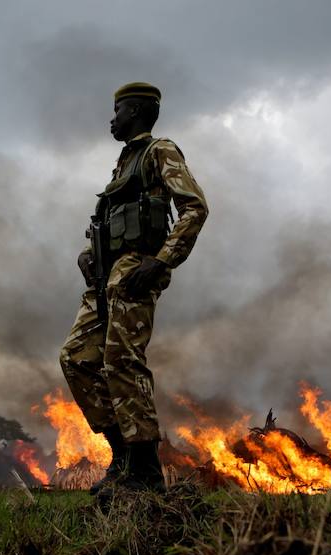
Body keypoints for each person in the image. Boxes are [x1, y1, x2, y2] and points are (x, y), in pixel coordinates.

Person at [60, 82, 208, 494]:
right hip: (105, 277)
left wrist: (161, 260)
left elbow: (194, 207)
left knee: (122, 361)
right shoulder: (122, 167)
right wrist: (88, 253)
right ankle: (122, 455)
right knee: (76, 358)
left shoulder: (159, 151)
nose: (112, 119)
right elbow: (112, 222)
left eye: (118, 110)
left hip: (133, 272)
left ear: (138, 111)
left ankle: (143, 470)